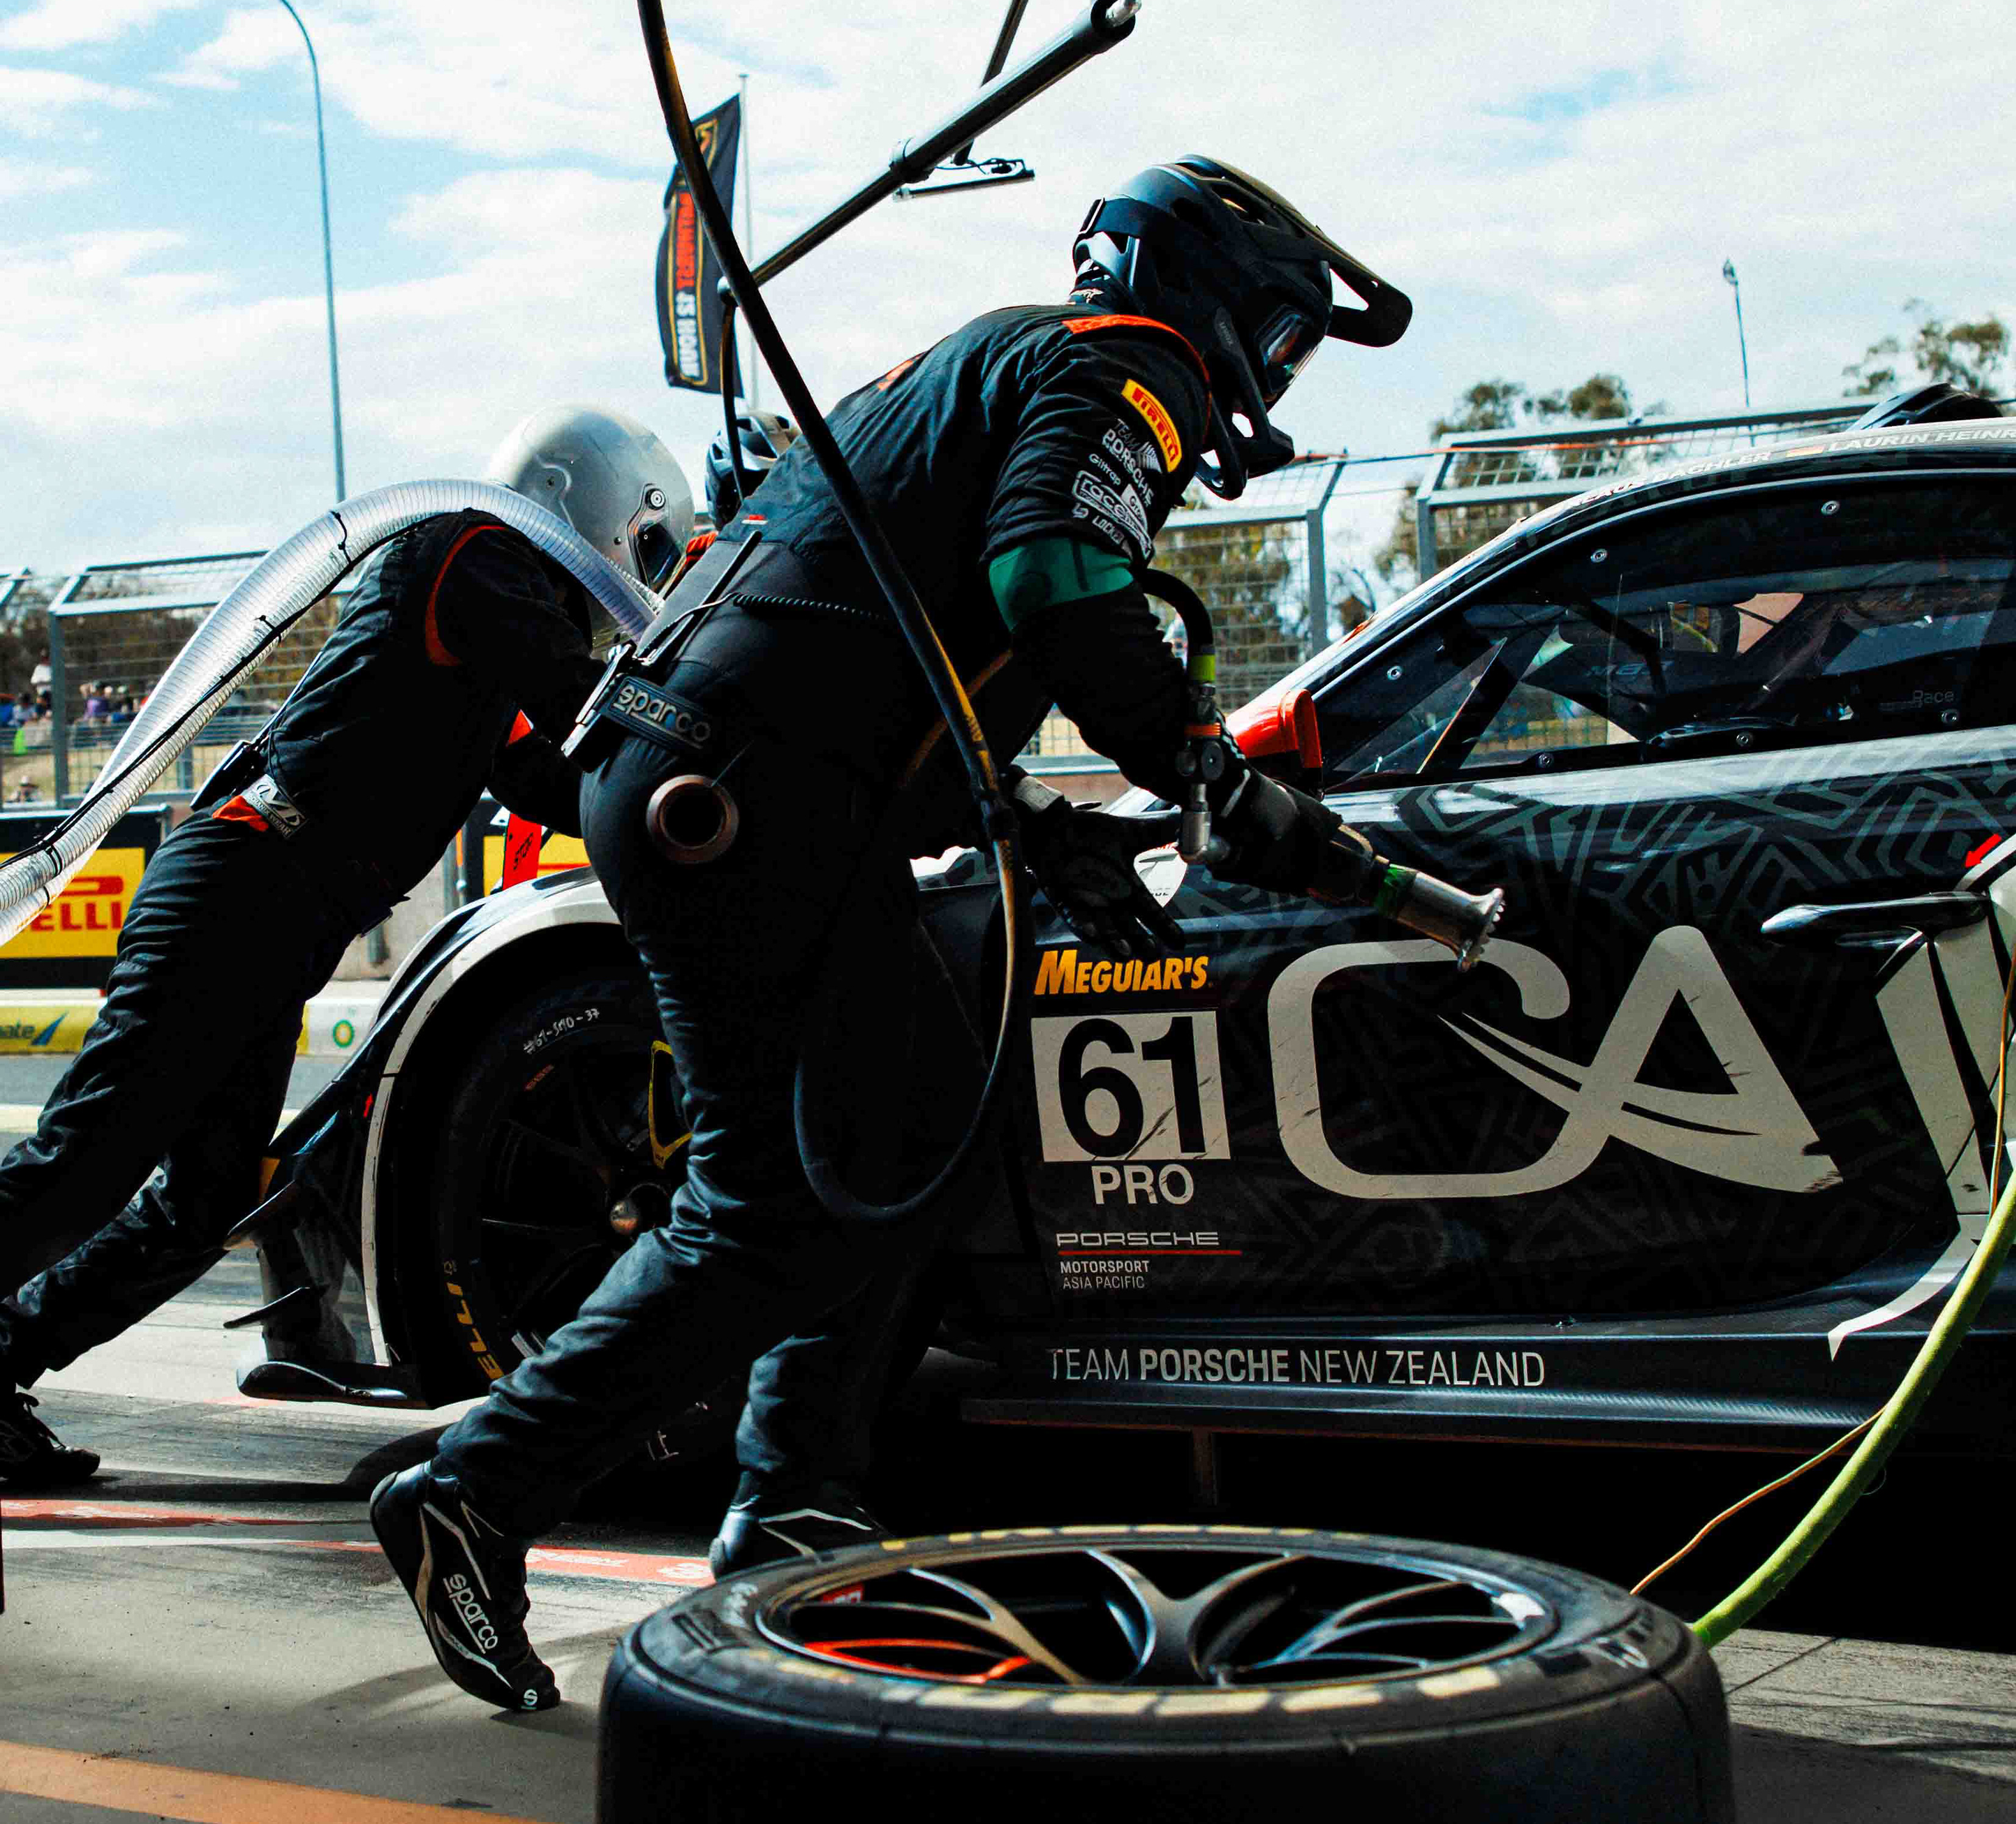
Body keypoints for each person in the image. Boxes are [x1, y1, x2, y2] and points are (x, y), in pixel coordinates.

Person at [369, 154, 1412, 1712]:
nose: (1272, 377)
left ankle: (794, 1496)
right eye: (1280, 338)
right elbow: (1053, 577)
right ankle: (477, 1484)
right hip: (736, 798)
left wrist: (1031, 818)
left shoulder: (1000, 361)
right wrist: (1200, 767)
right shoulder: (1125, 368)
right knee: (775, 1199)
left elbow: (875, 640)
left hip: (733, 779)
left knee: (908, 1134)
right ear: (1210, 298)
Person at [0, 406, 689, 1488]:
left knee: (197, 1208)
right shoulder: (472, 550)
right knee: (85, 1164)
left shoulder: (489, 622)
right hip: (237, 888)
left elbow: (554, 779)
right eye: (647, 545)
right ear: (589, 502)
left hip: (273, 914)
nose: (639, 576)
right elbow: (582, 709)